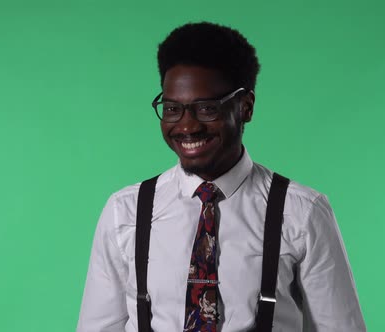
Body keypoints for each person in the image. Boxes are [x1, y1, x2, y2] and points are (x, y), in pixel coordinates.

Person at [77, 21, 366, 332]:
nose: (187, 127)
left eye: (206, 109)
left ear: (246, 107)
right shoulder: (126, 212)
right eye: (173, 108)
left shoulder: (301, 212)